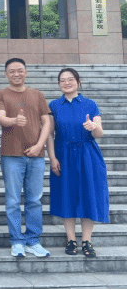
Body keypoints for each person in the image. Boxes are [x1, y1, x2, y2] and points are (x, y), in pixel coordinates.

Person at [0, 58, 52, 258]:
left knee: (34, 199)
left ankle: (33, 240)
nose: (16, 74)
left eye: (19, 70)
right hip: (11, 155)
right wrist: (14, 120)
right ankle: (17, 241)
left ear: (26, 72)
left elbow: (47, 122)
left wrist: (39, 146)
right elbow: (1, 118)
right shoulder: (0, 95)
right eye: (12, 71)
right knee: (13, 200)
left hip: (36, 155)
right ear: (6, 74)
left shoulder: (37, 95)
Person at [47, 68, 109, 258]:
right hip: (63, 154)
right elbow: (49, 134)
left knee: (89, 194)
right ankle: (71, 240)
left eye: (70, 79)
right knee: (67, 195)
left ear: (78, 81)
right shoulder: (54, 105)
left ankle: (87, 241)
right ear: (59, 84)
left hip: (88, 155)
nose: (67, 83)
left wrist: (94, 127)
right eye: (62, 80)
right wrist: (52, 158)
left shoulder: (90, 104)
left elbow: (99, 133)